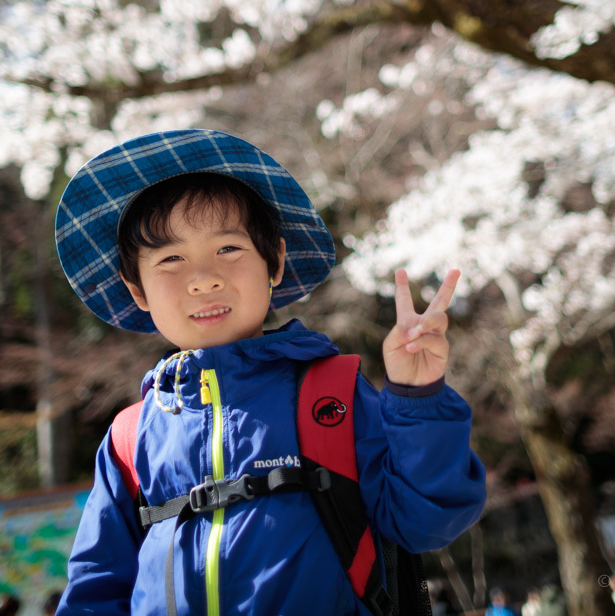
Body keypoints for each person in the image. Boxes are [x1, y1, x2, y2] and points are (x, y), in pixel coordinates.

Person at [53, 130, 486, 615]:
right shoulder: (129, 440)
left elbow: (425, 521)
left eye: (229, 250)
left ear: (275, 262)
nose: (203, 279)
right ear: (137, 291)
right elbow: (95, 589)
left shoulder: (332, 396)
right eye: (170, 259)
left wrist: (418, 396)